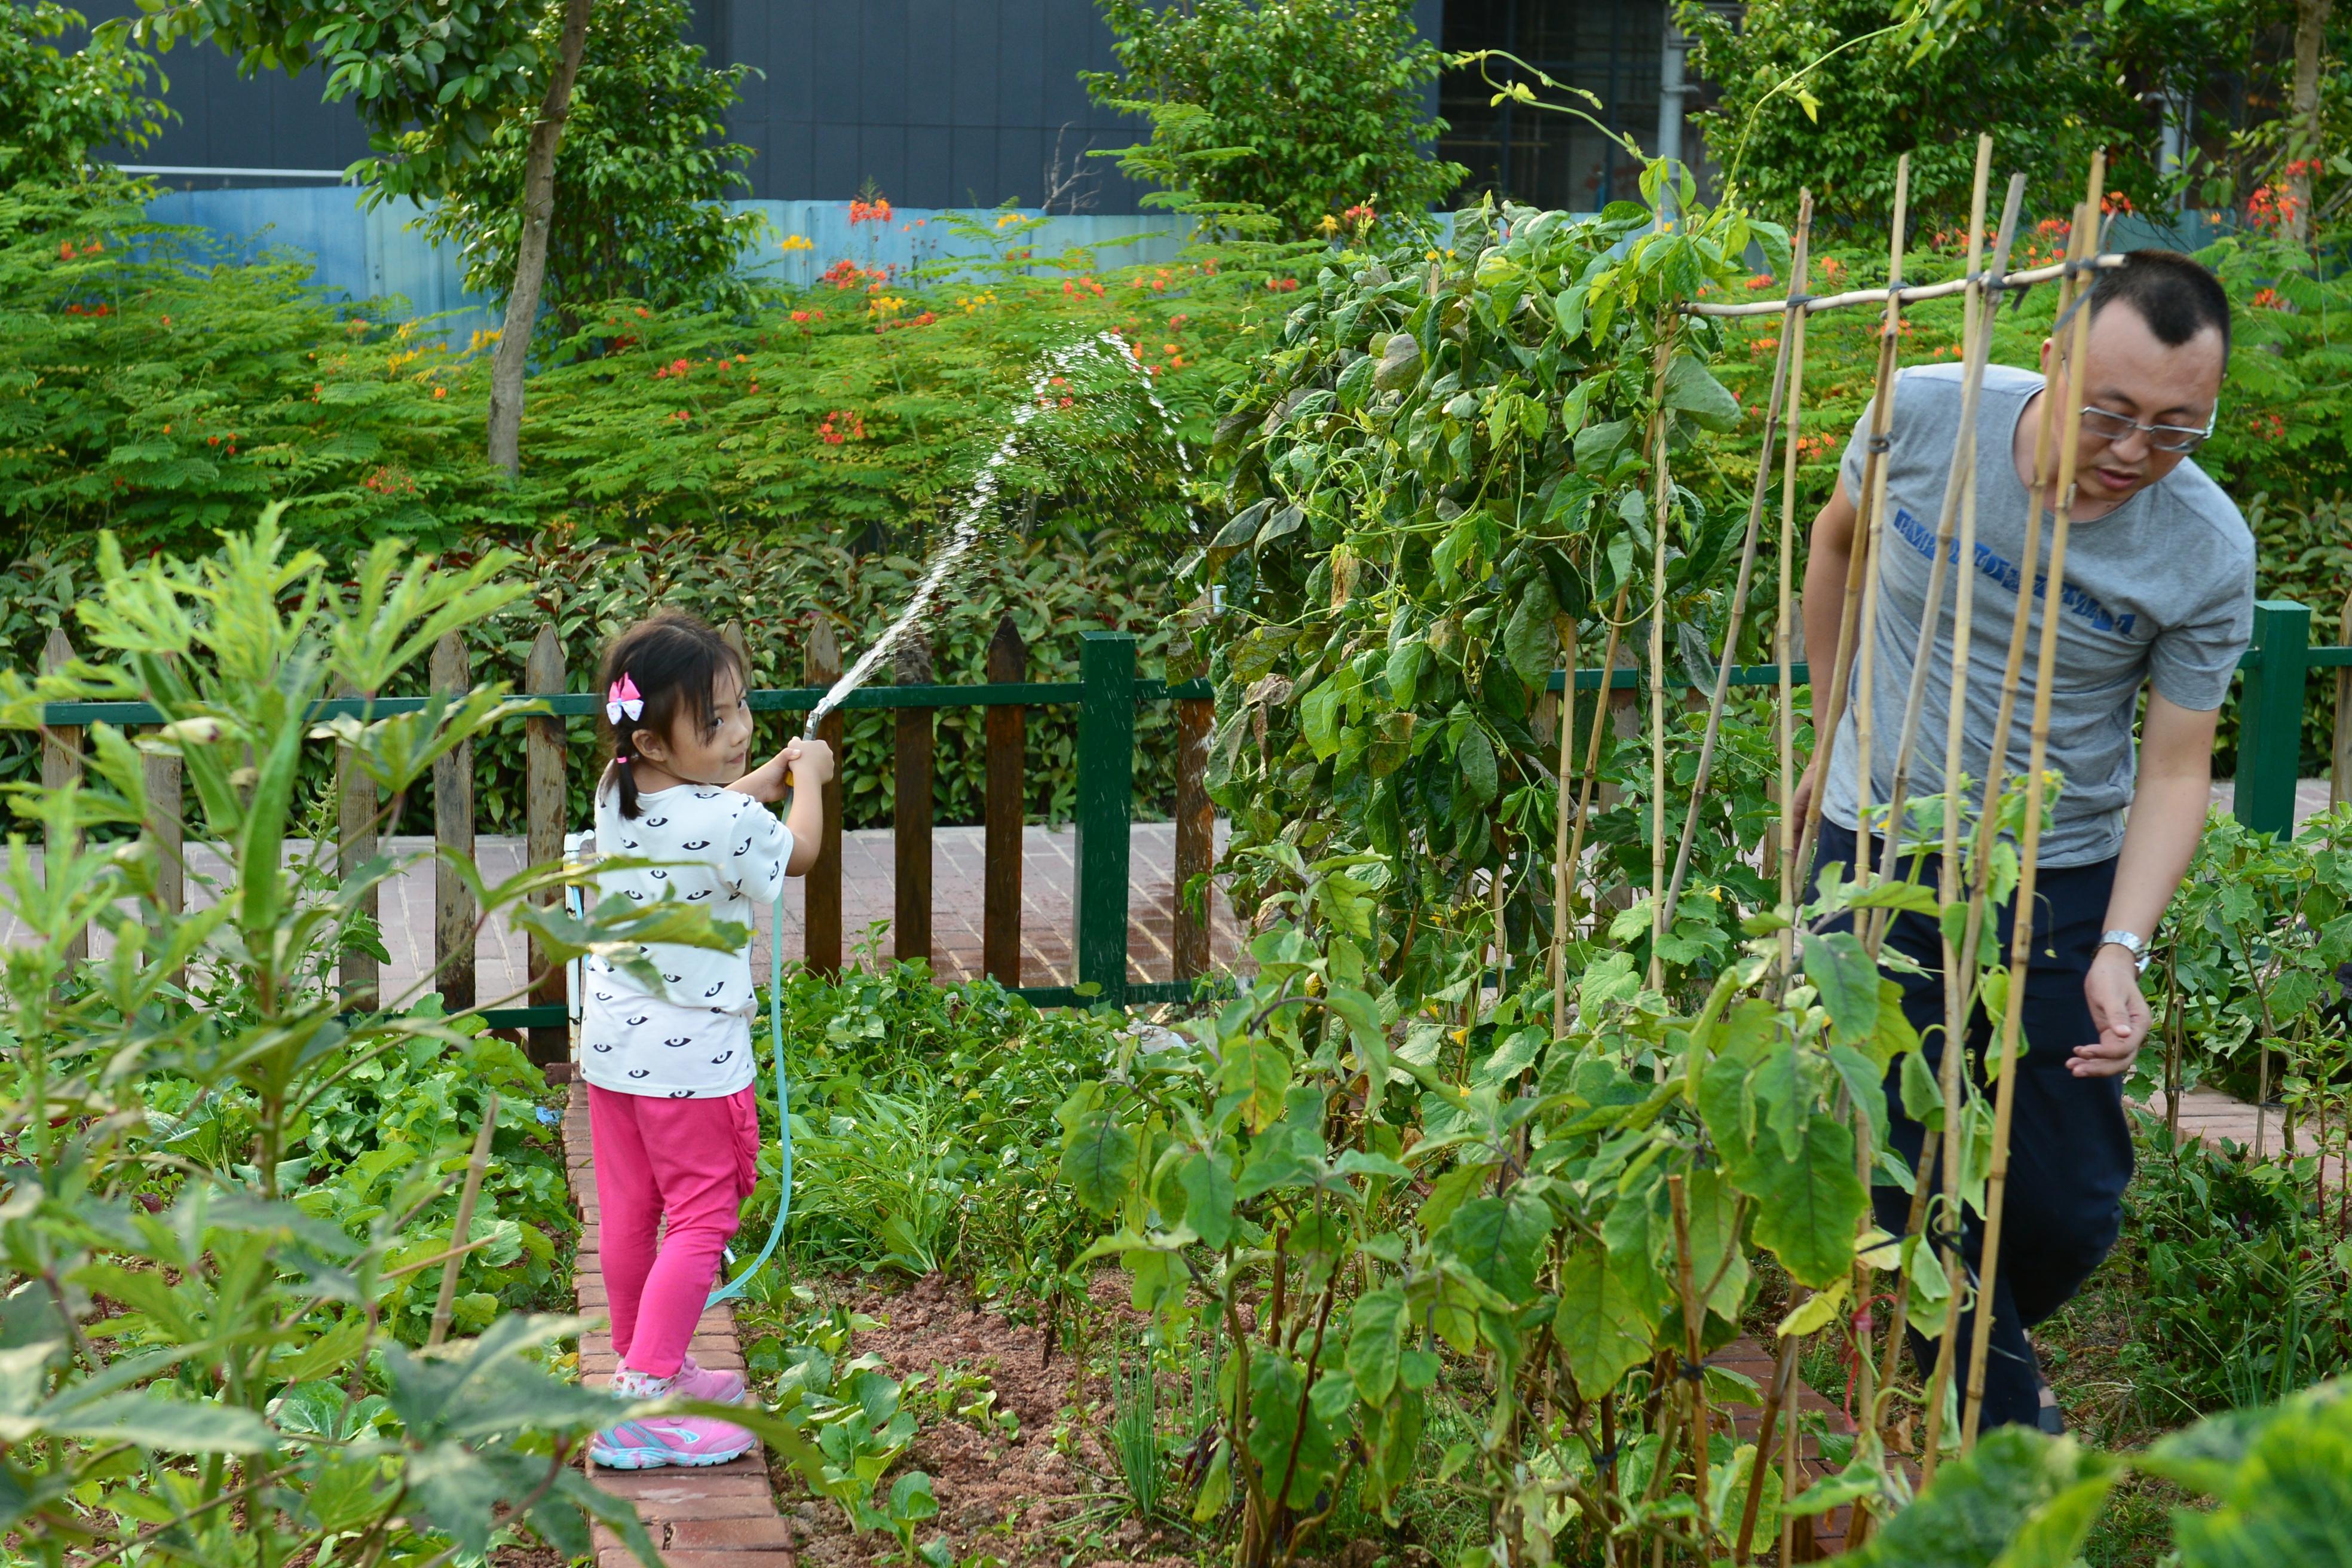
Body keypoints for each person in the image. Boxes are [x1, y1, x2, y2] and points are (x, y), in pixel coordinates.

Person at [1793, 250, 2252, 1432]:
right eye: (2111, 411)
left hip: (2053, 877)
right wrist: (1824, 728)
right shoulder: (1926, 417)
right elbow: (1836, 542)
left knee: (2068, 1203)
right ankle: (1998, 1444)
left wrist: (2123, 944)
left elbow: (2177, 761)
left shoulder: (2203, 551)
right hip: (1878, 844)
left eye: (2174, 428)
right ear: (2049, 358)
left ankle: (1966, 1347)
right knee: (1897, 1166)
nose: (2132, 451)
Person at [582, 610, 833, 1470]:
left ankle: (645, 1364)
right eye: (716, 721)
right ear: (655, 741)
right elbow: (797, 853)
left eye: (738, 709)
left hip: (614, 1060)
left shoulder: (618, 796)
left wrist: (759, 774)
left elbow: (704, 813)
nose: (739, 730)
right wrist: (811, 782)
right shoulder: (724, 826)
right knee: (700, 1219)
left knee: (631, 1214)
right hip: (692, 1068)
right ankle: (644, 1401)